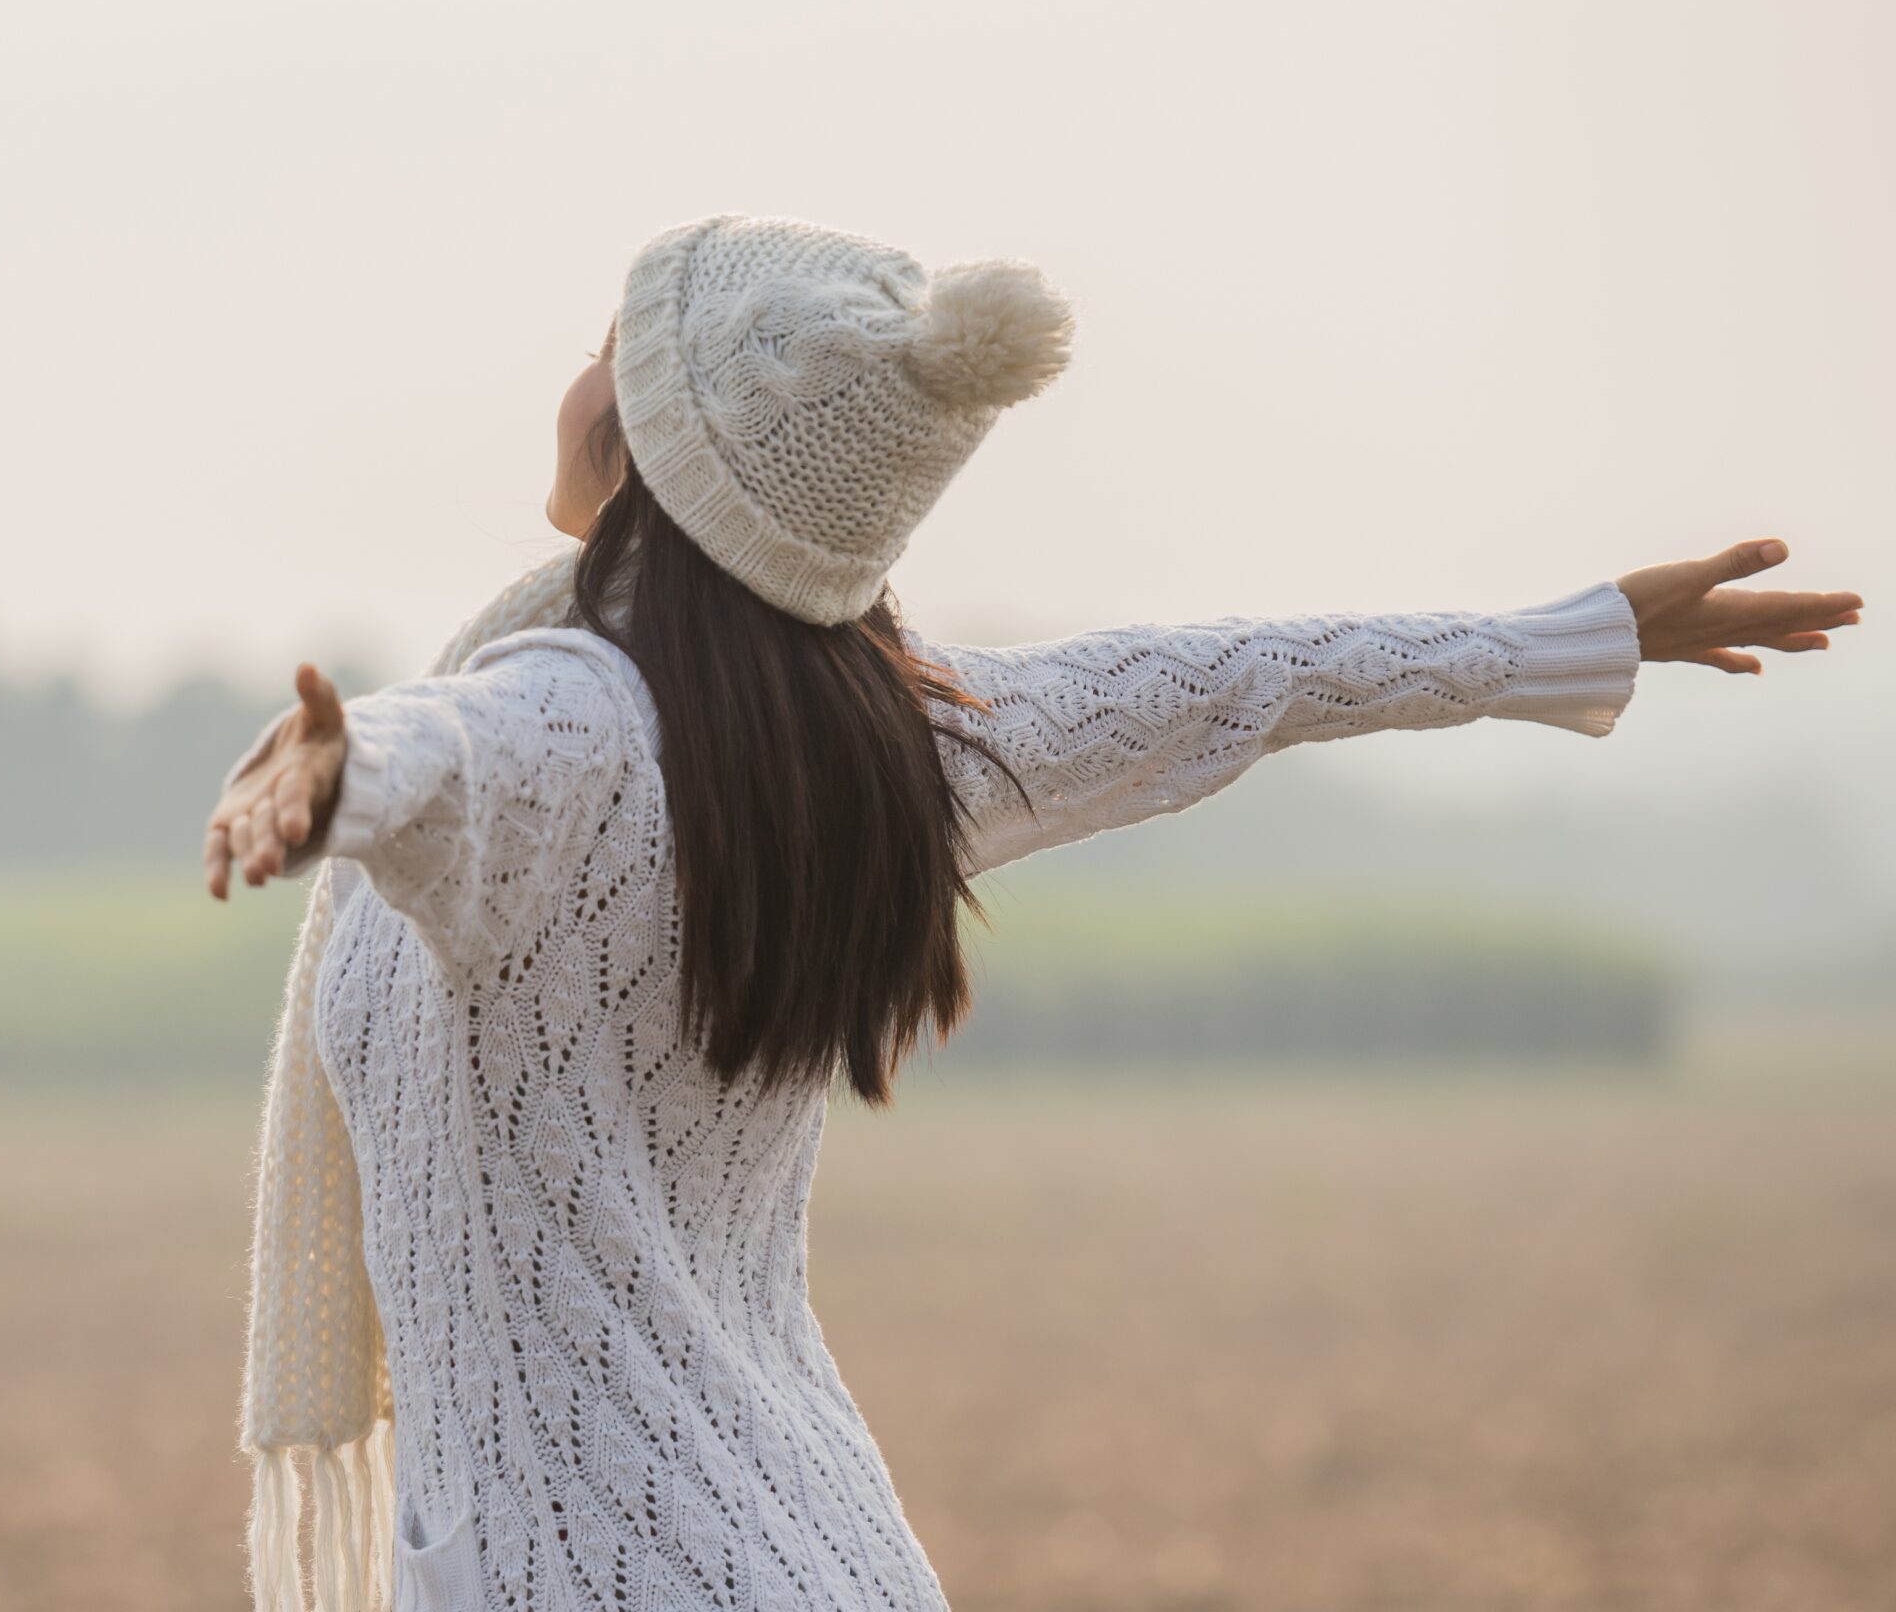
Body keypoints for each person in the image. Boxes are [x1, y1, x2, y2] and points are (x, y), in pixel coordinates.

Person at [205, 213, 1863, 1612]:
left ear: (626, 436)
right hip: (817, 1555)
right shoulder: (882, 749)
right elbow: (1238, 680)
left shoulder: (558, 715)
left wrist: (337, 772)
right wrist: (1559, 642)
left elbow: (458, 753)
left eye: (606, 346)